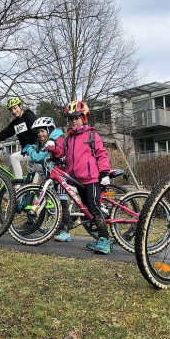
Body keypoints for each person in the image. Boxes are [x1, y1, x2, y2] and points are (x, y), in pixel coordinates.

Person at [47, 100, 112, 253]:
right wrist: (52, 147)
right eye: (70, 119)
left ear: (83, 118)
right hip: (76, 180)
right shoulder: (68, 138)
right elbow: (61, 152)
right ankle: (101, 239)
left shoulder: (91, 135)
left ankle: (105, 239)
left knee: (94, 207)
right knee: (88, 208)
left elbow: (102, 154)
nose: (73, 121)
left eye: (76, 118)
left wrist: (104, 173)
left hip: (92, 179)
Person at [0, 97, 37, 181]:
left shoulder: (28, 115)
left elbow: (36, 132)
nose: (13, 111)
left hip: (37, 151)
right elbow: (2, 135)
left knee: (14, 157)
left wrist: (27, 146)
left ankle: (18, 185)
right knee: (31, 185)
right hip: (28, 152)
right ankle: (22, 188)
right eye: (11, 110)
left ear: (21, 106)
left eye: (15, 108)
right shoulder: (15, 123)